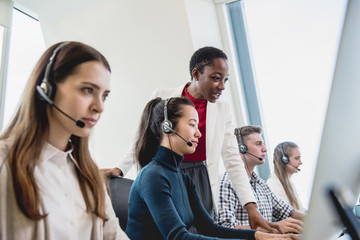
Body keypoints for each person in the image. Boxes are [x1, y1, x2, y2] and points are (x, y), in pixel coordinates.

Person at [104, 46, 281, 232]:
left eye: (225, 80)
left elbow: (232, 159)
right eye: (216, 78)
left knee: (204, 230)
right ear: (196, 74)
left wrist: (251, 207)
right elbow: (143, 137)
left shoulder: (222, 109)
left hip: (200, 178)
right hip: (167, 172)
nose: (222, 86)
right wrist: (120, 169)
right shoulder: (163, 96)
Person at [0, 41, 129, 239]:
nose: (99, 107)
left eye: (105, 96)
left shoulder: (89, 174)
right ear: (47, 88)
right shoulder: (5, 164)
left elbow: (113, 235)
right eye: (88, 90)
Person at [125, 97, 299, 240]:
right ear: (167, 127)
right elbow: (178, 237)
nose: (198, 133)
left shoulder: (183, 178)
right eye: (192, 124)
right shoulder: (153, 176)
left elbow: (211, 229)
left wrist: (258, 236)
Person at [217, 126, 304, 234]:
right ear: (241, 148)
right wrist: (272, 229)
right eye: (258, 144)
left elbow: (287, 211)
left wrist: (313, 219)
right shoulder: (227, 183)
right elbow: (226, 227)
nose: (265, 149)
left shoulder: (261, 184)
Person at [267, 142, 307, 212]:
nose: (301, 162)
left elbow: (300, 209)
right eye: (297, 158)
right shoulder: (273, 184)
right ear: (284, 160)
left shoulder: (289, 183)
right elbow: (287, 214)